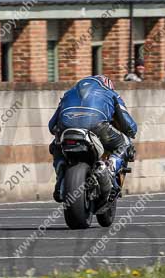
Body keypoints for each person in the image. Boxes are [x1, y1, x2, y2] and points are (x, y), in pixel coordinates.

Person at [48, 75, 138, 203]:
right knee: (125, 143)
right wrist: (131, 131)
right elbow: (129, 126)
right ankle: (111, 166)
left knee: (56, 145)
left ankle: (61, 171)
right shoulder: (111, 93)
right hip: (97, 126)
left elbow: (51, 126)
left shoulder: (68, 93)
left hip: (66, 128)